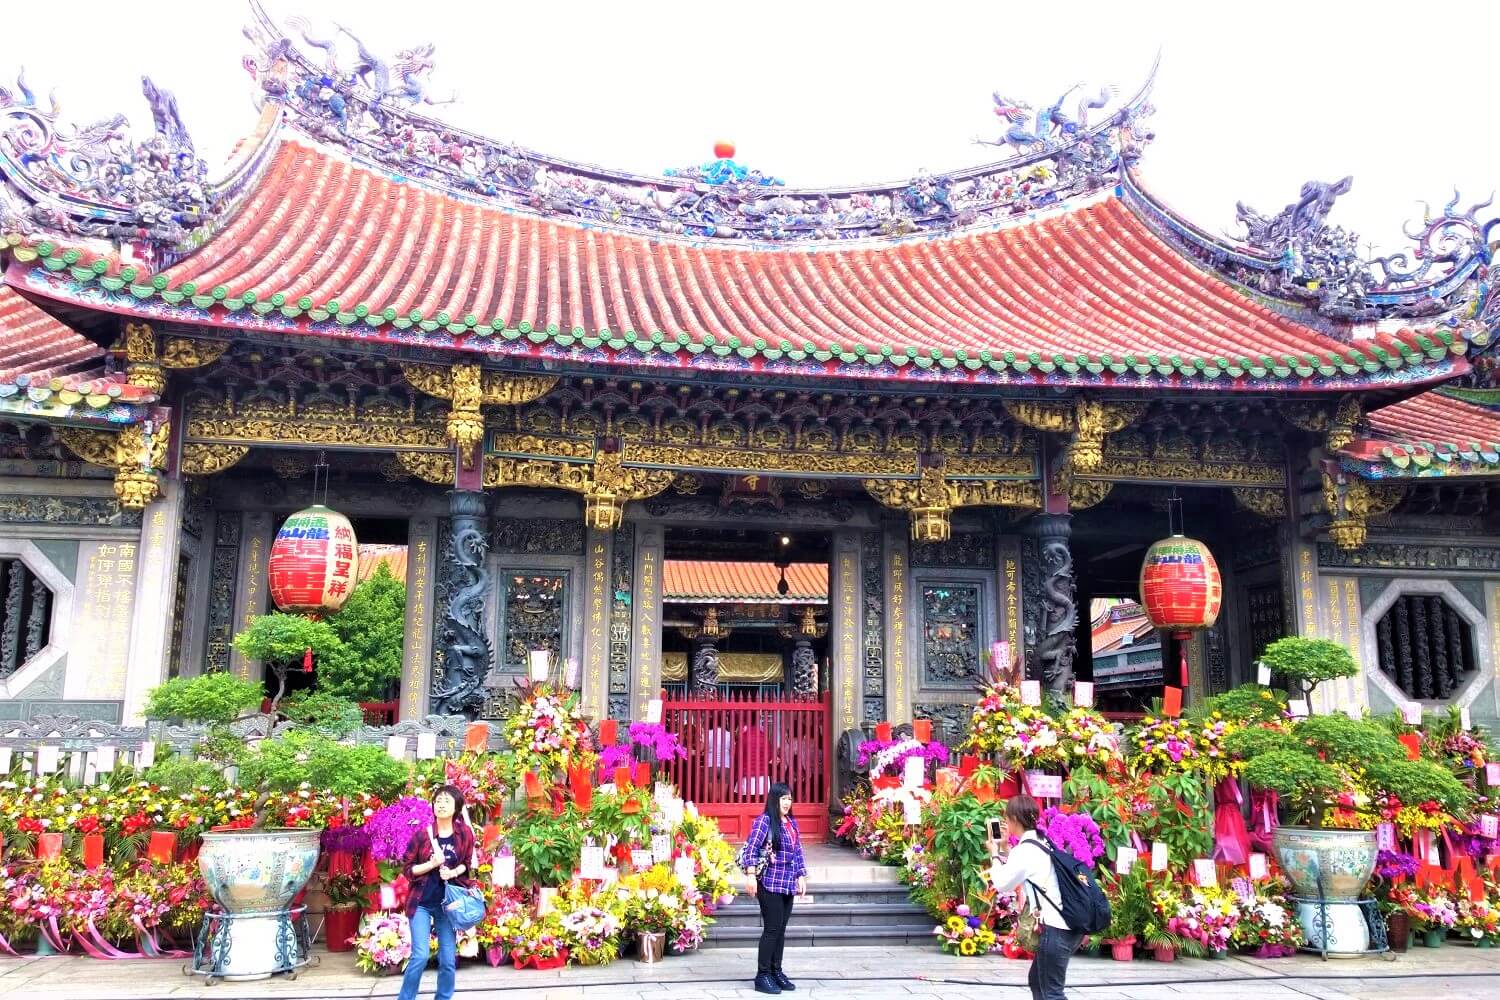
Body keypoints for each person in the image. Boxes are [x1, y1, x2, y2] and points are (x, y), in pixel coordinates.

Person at [987, 794, 1081, 1000]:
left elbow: (1003, 883)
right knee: (1037, 982)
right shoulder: (1041, 841)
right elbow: (1018, 869)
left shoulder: (1027, 850)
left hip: (1057, 929)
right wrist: (1003, 847)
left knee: (1051, 993)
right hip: (1067, 927)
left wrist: (994, 854)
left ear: (1013, 820)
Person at [398, 784, 476, 1000]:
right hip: (421, 902)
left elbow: (467, 864)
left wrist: (452, 873)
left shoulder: (464, 834)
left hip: (448, 905)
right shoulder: (422, 836)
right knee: (420, 956)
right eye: (438, 800)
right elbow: (408, 870)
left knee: (448, 960)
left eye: (446, 801)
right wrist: (431, 864)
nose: (441, 805)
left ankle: (443, 997)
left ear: (456, 807)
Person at [740, 781, 807, 995]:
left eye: (789, 798)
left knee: (781, 930)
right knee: (771, 929)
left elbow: (797, 852)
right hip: (769, 882)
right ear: (774, 799)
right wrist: (751, 876)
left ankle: (776, 971)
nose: (787, 802)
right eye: (783, 798)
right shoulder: (765, 821)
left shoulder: (790, 823)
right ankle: (762, 976)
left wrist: (801, 876)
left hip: (787, 883)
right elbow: (751, 848)